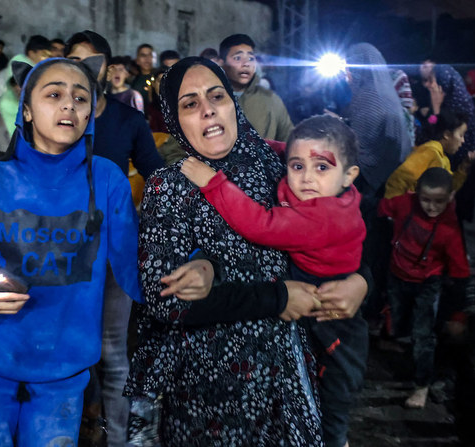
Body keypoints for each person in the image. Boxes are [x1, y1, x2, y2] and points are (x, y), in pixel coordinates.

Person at [126, 57, 369, 446]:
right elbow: (164, 301)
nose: (207, 109)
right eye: (190, 103)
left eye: (216, 95)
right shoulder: (168, 187)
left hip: (288, 371)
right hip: (211, 387)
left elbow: (338, 231)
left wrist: (361, 281)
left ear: (232, 103)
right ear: (174, 119)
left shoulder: (281, 165)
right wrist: (277, 297)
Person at [0, 56, 143, 446]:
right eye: (54, 94)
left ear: (90, 115)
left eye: (81, 98)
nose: (69, 105)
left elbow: (136, 268)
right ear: (28, 111)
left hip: (63, 377)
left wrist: (196, 268)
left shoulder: (107, 180)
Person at [181, 114, 368, 447]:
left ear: (349, 176)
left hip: (333, 320)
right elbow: (286, 151)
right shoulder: (325, 187)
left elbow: (260, 225)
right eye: (297, 166)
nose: (307, 177)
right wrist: (259, 145)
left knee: (333, 396)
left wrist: (212, 182)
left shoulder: (322, 216)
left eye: (322, 168)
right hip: (315, 290)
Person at [65, 30, 163, 447]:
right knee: (66, 349)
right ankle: (71, 430)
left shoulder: (128, 121)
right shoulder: (54, 120)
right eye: (75, 60)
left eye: (94, 62)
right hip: (59, 256)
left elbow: (157, 177)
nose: (84, 70)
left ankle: (117, 438)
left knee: (112, 352)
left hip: (112, 255)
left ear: (109, 68)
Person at [378, 167, 470, 409]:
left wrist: (458, 315)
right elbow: (377, 208)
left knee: (422, 334)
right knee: (396, 315)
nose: (431, 207)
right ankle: (389, 337)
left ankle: (422, 385)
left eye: (439, 201)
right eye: (426, 200)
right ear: (416, 193)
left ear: (450, 197)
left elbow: (461, 274)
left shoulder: (450, 231)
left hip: (427, 284)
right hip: (396, 274)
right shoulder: (404, 204)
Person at [344, 43, 411, 321]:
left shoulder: (368, 98)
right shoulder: (385, 95)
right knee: (379, 248)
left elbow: (359, 149)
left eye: (350, 67)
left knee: (365, 248)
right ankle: (377, 304)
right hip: (389, 183)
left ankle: (366, 305)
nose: (347, 74)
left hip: (369, 185)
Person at [420, 61, 475, 223]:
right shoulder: (455, 99)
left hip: (456, 168)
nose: (429, 85)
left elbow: (428, 134)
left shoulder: (454, 109)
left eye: (433, 80)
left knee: (450, 221)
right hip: (455, 168)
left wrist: (435, 109)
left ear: (445, 83)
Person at [385, 109, 474, 199]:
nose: (463, 141)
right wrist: (394, 207)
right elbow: (400, 178)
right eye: (461, 135)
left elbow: (448, 187)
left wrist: (463, 168)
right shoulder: (430, 152)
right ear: (446, 134)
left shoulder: (443, 157)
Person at [219, 34, 294, 141]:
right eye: (238, 58)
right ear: (222, 64)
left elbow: (288, 141)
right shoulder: (208, 101)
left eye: (250, 58)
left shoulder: (271, 100)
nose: (246, 64)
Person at [130, 44, 156, 114]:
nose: (147, 59)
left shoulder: (159, 77)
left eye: (150, 55)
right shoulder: (133, 80)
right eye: (143, 55)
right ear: (137, 60)